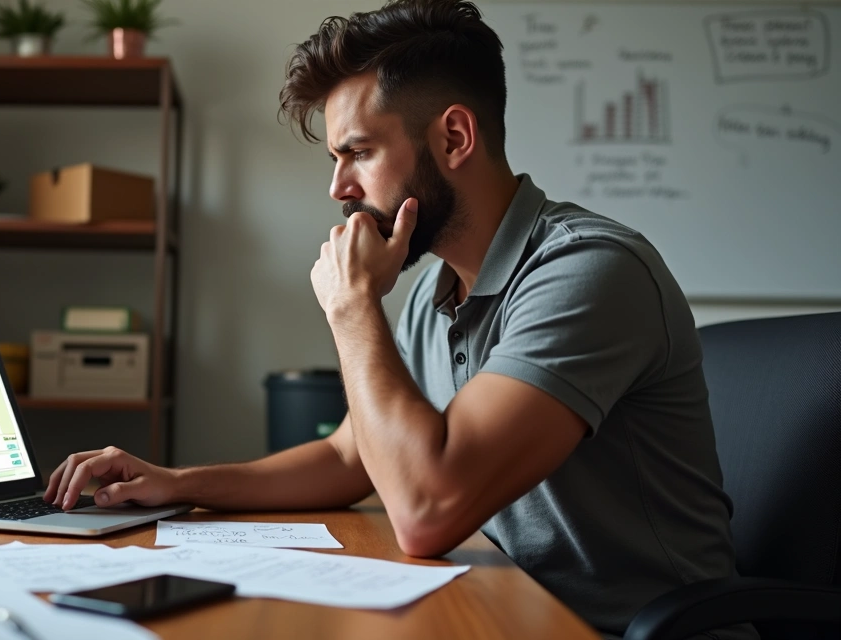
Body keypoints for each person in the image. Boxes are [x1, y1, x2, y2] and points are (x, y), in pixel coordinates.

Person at [43, 2, 752, 637]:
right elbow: (349, 456)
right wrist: (175, 482)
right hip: (508, 613)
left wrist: (353, 310)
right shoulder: (433, 291)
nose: (338, 188)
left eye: (358, 152)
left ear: (453, 139)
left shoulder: (589, 272)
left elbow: (425, 512)